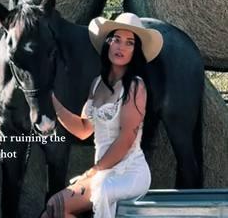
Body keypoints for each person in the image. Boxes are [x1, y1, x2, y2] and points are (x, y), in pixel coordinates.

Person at [40, 12, 163, 218]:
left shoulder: (135, 87)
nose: (121, 46)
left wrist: (93, 172)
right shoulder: (97, 84)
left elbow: (126, 139)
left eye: (129, 43)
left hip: (128, 172)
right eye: (116, 39)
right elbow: (83, 129)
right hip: (103, 172)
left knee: (59, 206)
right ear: (108, 44)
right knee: (52, 208)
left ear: (136, 51)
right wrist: (51, 100)